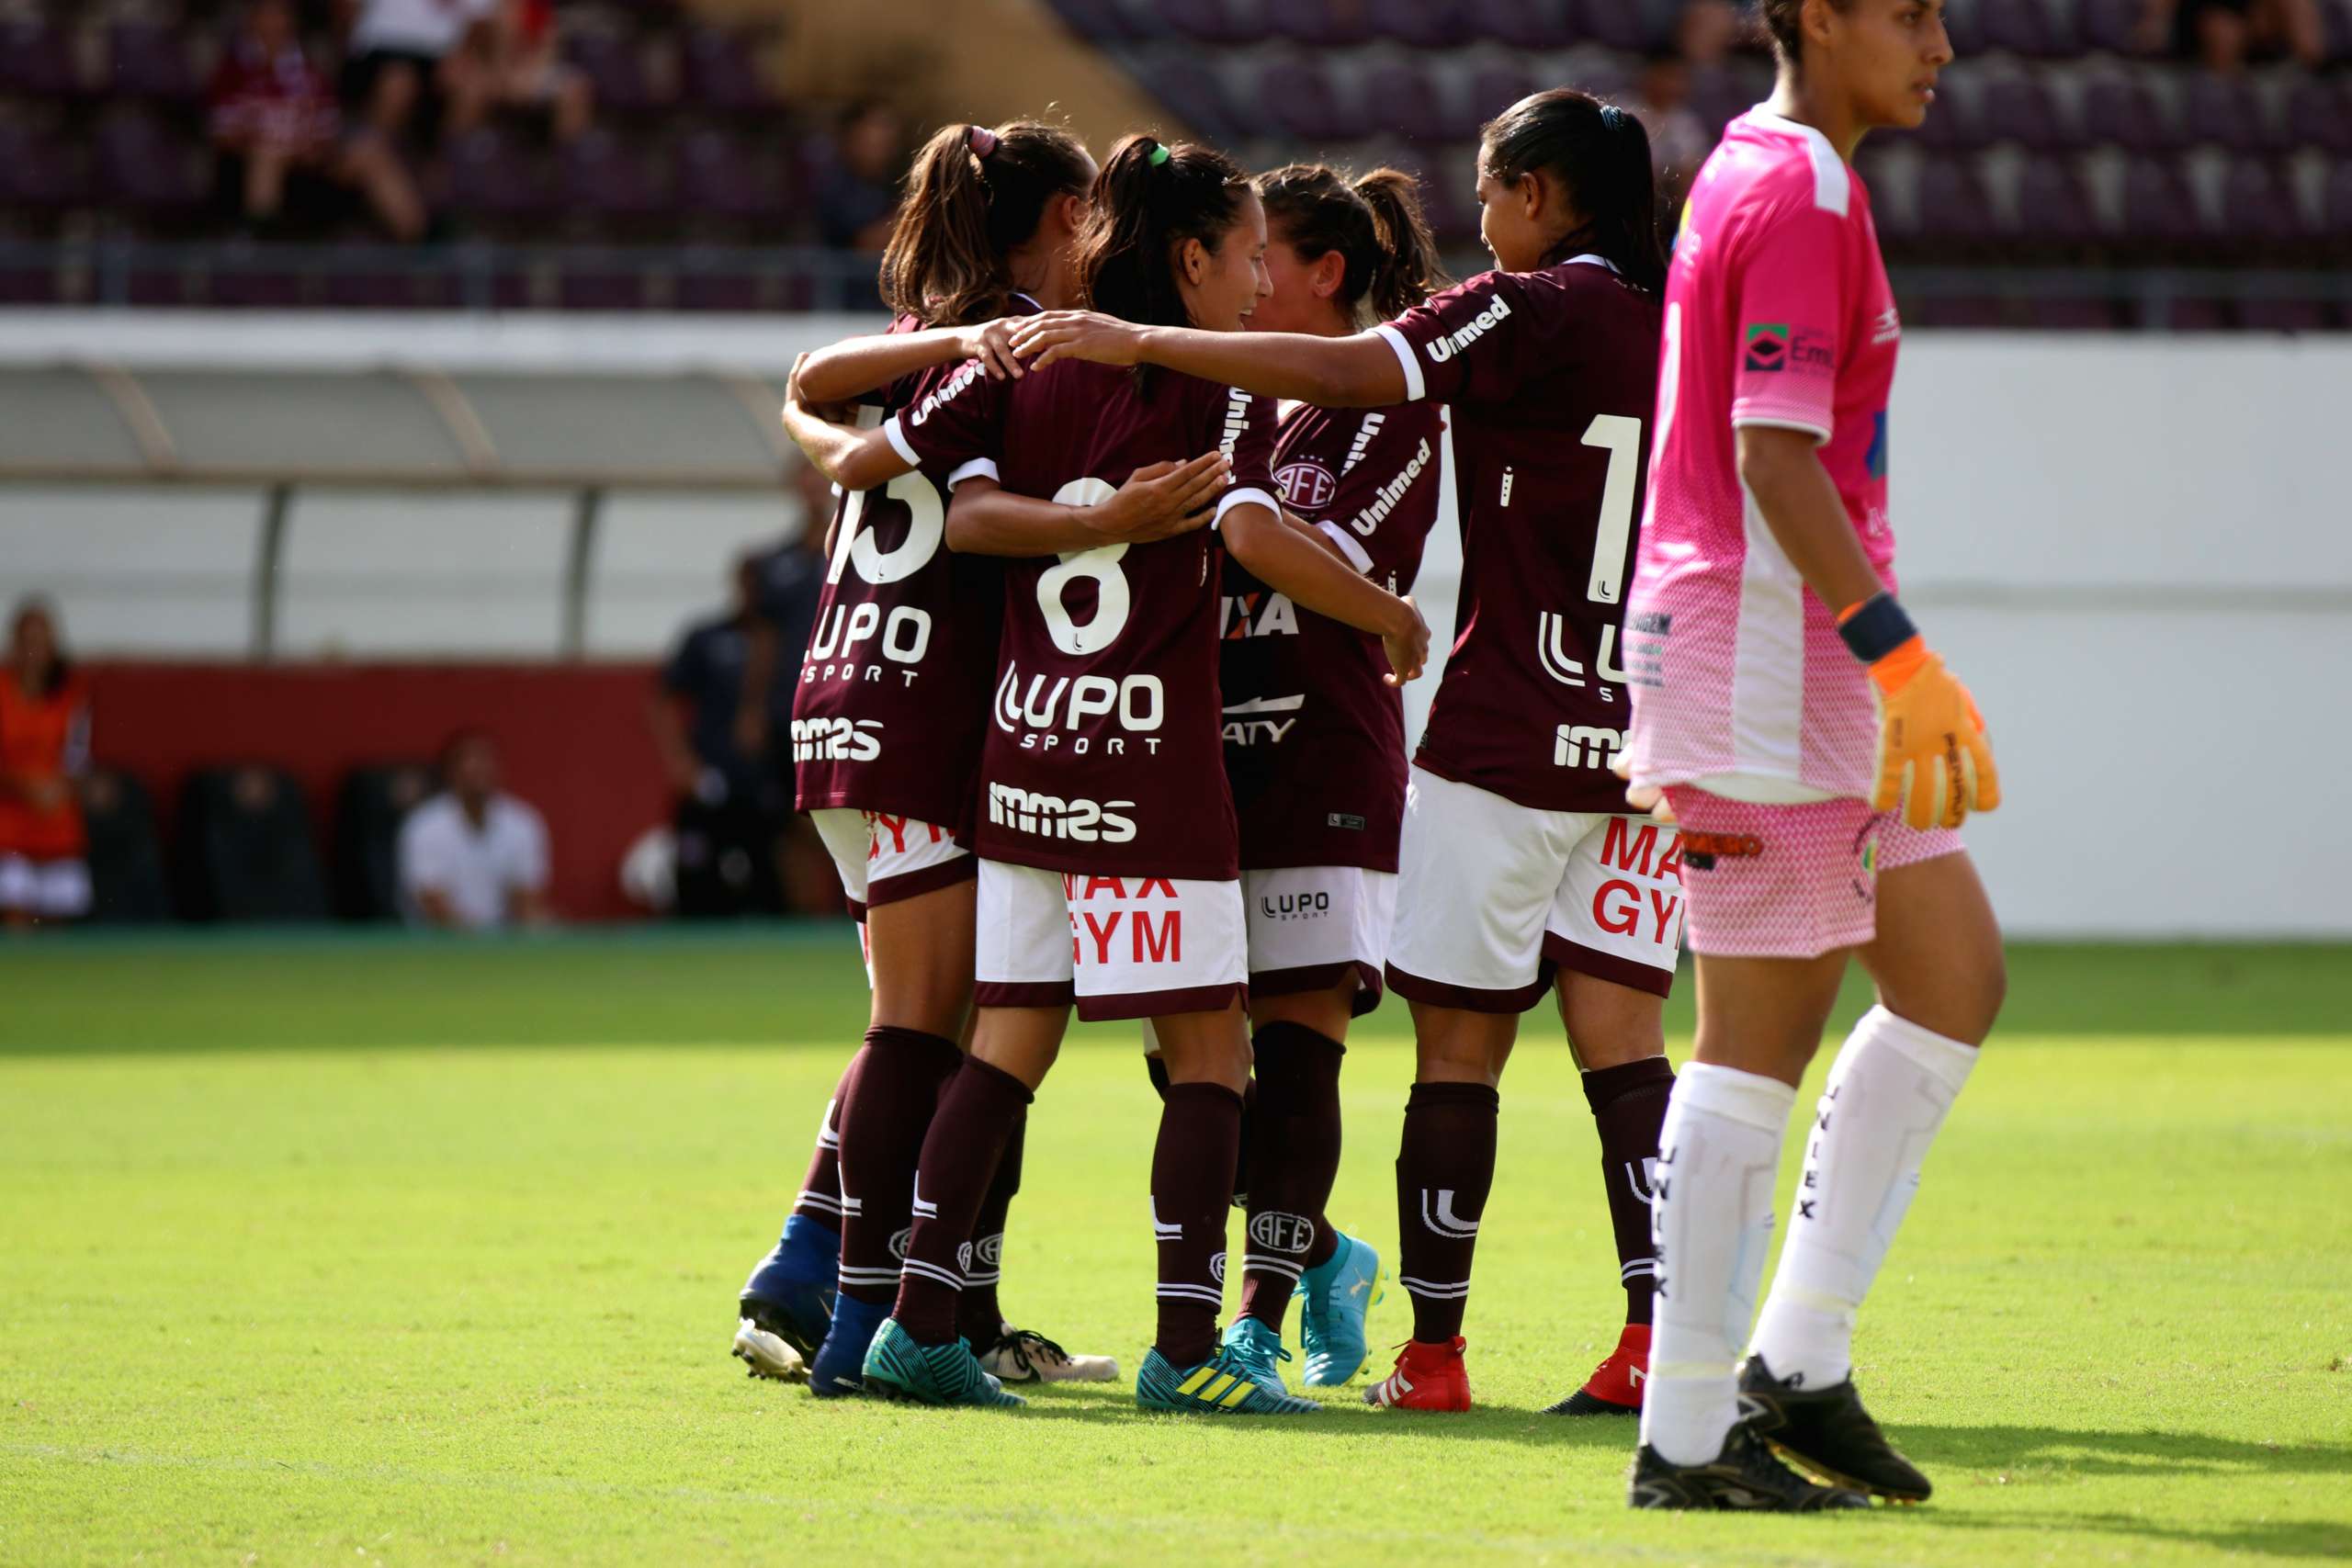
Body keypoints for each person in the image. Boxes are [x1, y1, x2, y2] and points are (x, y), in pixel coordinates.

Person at [1012, 89, 1688, 1421]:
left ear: (1541, 197)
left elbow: (1365, 367)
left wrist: (1138, 334)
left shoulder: (1531, 302)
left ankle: (1432, 1356)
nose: (1481, 227)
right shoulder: (1683, 323)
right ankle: (1656, 1338)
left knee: (1457, 1052)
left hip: (1503, 733)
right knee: (1627, 1046)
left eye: (1493, 196)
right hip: (1647, 730)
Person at [788, 132, 1429, 1414]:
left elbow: (951, 509)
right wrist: (1385, 614)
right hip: (1150, 758)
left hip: (1024, 755)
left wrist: (1077, 519)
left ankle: (915, 1324)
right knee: (1206, 1057)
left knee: (1005, 1043)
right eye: (1244, 258)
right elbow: (1247, 525)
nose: (1255, 287)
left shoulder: (1024, 359)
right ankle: (1188, 1352)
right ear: (1190, 258)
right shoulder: (1216, 383)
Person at [735, 119, 1207, 1397]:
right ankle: (867, 1323)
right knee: (932, 1034)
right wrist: (1110, 515)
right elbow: (971, 511)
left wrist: (820, 421)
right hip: (922, 711)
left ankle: (848, 1280)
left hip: (844, 693)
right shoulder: (1009, 356)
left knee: (945, 1023)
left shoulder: (930, 344)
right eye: (1087, 215)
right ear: (1064, 220)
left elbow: (821, 389)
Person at [1619, 0, 2002, 1512]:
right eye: (1910, 14)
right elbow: (1772, 451)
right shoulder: (1797, 188)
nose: (1940, 46)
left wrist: (1888, 661)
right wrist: (1897, 653)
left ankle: (1799, 1357)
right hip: (1765, 663)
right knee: (1749, 1043)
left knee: (1952, 976)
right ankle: (1687, 1431)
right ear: (1820, 16)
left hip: (1803, 666)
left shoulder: (1768, 167)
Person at [1197, 162, 1451, 1396]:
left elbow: (1311, 559)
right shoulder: (1243, 400)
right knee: (1186, 1057)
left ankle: (1253, 1321)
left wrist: (1385, 610)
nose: (1247, 284)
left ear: (1326, 274)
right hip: (1204, 754)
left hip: (1323, 756)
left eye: (1264, 261)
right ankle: (1329, 1249)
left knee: (1297, 1054)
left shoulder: (1392, 407)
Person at [647, 553, 792, 919]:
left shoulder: (791, 643)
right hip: (711, 777)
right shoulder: (707, 636)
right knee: (697, 878)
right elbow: (662, 698)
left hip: (767, 779)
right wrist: (681, 763)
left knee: (770, 881)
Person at [209, 0, 424, 241]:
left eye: (280, 15)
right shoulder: (232, 71)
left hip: (309, 171)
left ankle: (422, 245)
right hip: (248, 173)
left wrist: (308, 148)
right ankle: (259, 244)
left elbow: (328, 130)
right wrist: (275, 143)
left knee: (370, 151)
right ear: (252, 21)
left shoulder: (309, 71)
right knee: (268, 153)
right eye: (267, 15)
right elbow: (222, 135)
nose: (274, 23)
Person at [397, 729, 552, 931]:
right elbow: (434, 906)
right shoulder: (423, 826)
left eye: (486, 760)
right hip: (437, 943)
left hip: (504, 943)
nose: (479, 768)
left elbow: (525, 900)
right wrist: (480, 939)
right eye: (470, 761)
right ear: (450, 770)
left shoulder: (524, 822)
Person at [0, 599, 93, 931]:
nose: (34, 651)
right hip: (6, 827)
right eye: (27, 641)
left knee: (57, 921)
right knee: (15, 911)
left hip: (55, 824)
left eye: (41, 641)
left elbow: (80, 762)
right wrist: (21, 785)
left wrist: (63, 787)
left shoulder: (71, 696)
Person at [340, 0, 497, 151]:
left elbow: (481, 19)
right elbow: (347, 10)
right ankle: (372, 156)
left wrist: (462, 55)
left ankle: (448, 166)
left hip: (445, 54)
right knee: (399, 83)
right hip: (382, 49)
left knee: (475, 87)